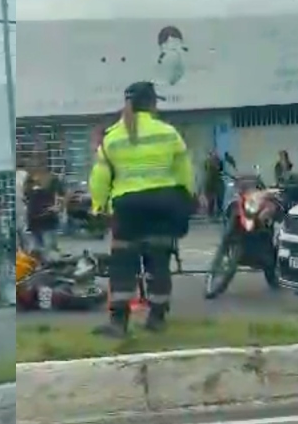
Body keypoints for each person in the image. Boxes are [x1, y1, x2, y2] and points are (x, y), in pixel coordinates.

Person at [89, 81, 194, 337]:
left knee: (123, 264)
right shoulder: (168, 133)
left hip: (128, 208)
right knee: (159, 264)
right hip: (163, 206)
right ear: (152, 103)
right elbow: (185, 173)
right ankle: (157, 319)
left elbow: (100, 177)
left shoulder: (113, 137)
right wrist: (187, 200)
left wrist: (98, 206)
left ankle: (118, 323)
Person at [23, 160, 64, 254]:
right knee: (44, 248)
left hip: (43, 217)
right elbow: (25, 195)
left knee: (44, 248)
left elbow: (26, 196)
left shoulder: (51, 179)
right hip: (39, 217)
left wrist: (58, 207)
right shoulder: (30, 179)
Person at [203, 151, 224, 218]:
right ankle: (211, 214)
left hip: (216, 181)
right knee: (211, 199)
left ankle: (216, 213)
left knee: (218, 199)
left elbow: (221, 169)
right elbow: (206, 169)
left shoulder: (217, 162)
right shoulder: (208, 162)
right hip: (211, 182)